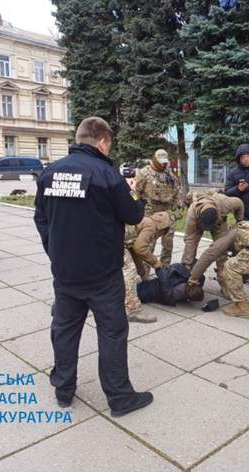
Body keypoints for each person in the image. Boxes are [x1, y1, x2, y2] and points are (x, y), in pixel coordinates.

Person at [34, 116, 153, 417]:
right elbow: (134, 215)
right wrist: (133, 191)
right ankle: (120, 398)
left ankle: (63, 388)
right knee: (112, 333)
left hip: (65, 272)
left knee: (64, 330)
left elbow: (41, 218)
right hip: (102, 274)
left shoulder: (50, 173)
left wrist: (55, 252)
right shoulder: (107, 174)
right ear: (102, 142)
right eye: (109, 145)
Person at [123, 211, 176, 324]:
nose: (161, 235)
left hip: (111, 238)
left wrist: (143, 274)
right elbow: (140, 248)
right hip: (113, 240)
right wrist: (155, 262)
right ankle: (133, 310)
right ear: (163, 227)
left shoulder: (145, 222)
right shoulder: (151, 226)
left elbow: (134, 250)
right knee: (129, 271)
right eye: (164, 231)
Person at [133, 149, 182, 267]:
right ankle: (145, 273)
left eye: (165, 162)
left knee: (168, 243)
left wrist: (179, 205)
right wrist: (136, 205)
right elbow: (134, 192)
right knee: (149, 244)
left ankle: (164, 270)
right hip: (150, 212)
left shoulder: (169, 174)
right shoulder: (144, 173)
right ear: (154, 160)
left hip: (167, 211)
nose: (163, 164)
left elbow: (176, 190)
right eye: (161, 162)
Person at [181, 190, 244, 280]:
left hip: (219, 223)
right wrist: (187, 264)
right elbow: (190, 241)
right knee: (189, 250)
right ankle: (186, 276)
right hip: (198, 222)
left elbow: (240, 203)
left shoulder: (225, 203)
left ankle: (225, 279)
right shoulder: (192, 213)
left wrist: (239, 221)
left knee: (222, 251)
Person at [137, 263, 205, 306]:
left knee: (136, 292)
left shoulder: (177, 290)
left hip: (150, 291)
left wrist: (159, 268)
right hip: (152, 290)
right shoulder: (182, 289)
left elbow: (163, 276)